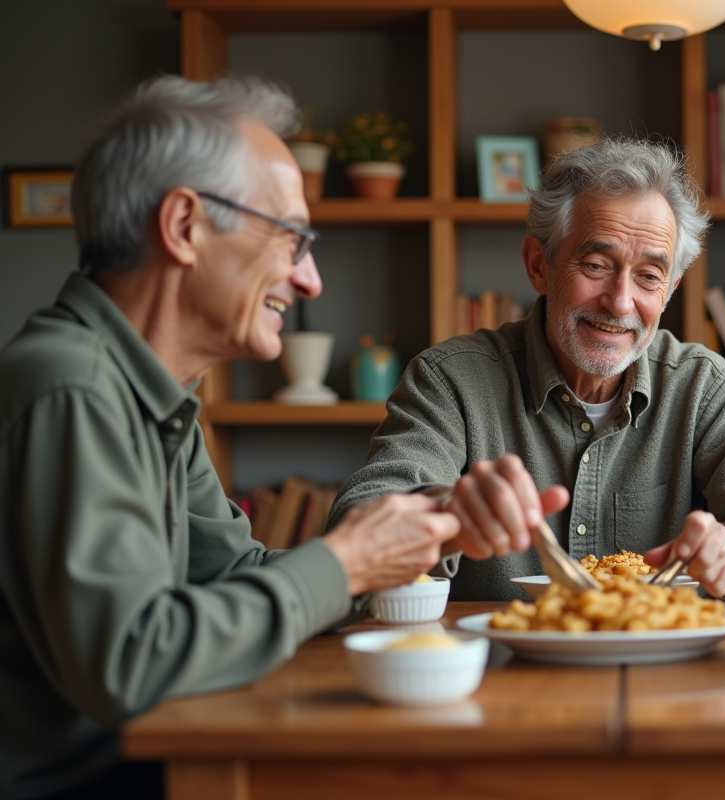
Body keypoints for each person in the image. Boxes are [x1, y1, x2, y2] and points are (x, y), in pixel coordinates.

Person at [0, 75, 460, 800]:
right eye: (291, 239)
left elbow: (235, 576)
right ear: (184, 225)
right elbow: (129, 662)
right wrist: (344, 563)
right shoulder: (72, 386)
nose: (310, 280)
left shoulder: (153, 391)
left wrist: (416, 540)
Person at [329, 138, 725, 602]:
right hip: (500, 671)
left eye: (649, 276)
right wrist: (447, 513)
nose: (621, 302)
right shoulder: (449, 381)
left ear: (670, 290)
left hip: (665, 673)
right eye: (597, 265)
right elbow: (357, 523)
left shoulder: (704, 389)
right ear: (539, 265)